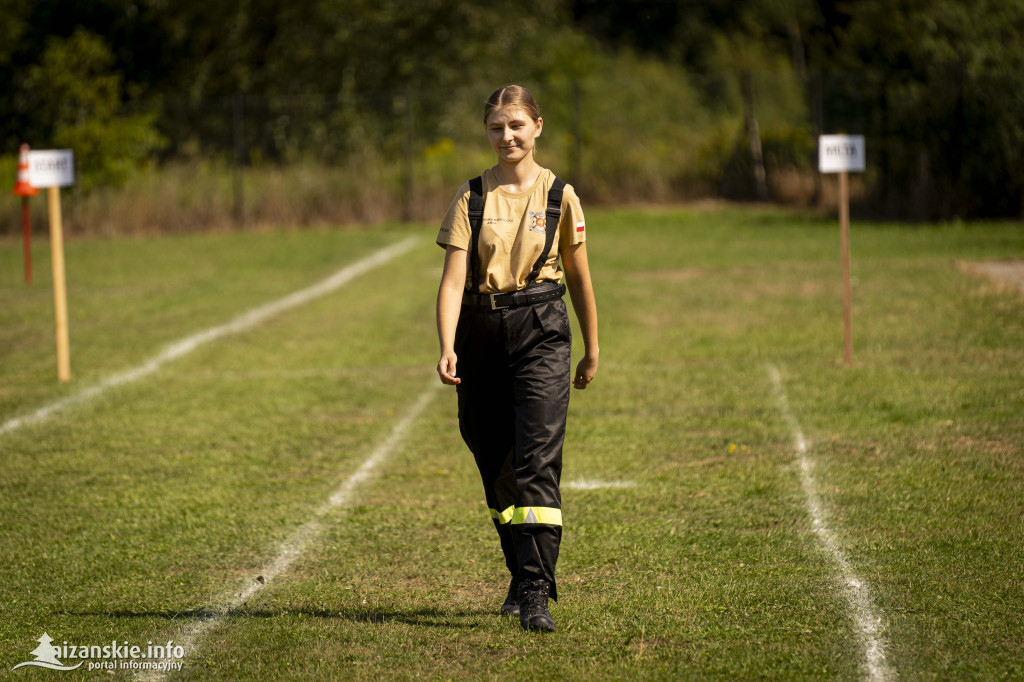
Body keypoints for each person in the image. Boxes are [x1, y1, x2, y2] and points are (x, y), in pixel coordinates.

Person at [435, 85, 599, 632]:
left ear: (537, 127)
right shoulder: (471, 197)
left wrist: (592, 345)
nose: (506, 137)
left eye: (516, 126)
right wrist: (447, 345)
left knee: (536, 461)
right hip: (479, 331)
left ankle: (535, 591)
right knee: (493, 460)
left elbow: (578, 273)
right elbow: (454, 277)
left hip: (542, 329)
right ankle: (519, 565)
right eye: (496, 128)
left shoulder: (561, 196)